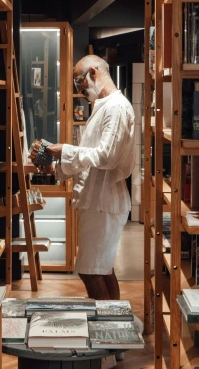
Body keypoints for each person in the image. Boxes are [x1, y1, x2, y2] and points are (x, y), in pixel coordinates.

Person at [31, 55, 135, 302]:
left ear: (94, 72)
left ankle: (108, 327)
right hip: (98, 201)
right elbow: (90, 160)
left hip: (104, 203)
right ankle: (114, 323)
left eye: (80, 83)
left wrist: (63, 150)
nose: (80, 90)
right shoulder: (105, 106)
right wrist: (57, 168)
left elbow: (106, 157)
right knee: (101, 269)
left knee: (91, 271)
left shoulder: (115, 108)